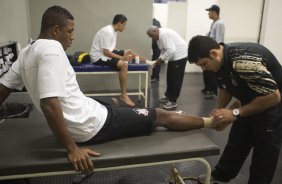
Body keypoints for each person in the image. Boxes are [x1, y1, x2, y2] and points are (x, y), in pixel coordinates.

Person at [0, 6, 218, 173]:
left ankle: (123, 104)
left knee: (114, 100)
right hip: (92, 126)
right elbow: (49, 103)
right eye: (70, 31)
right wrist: (72, 149)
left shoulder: (28, 51)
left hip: (86, 109)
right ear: (56, 30)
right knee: (160, 115)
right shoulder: (52, 49)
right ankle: (210, 121)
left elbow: (3, 88)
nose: (72, 37)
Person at [188, 35, 282, 184]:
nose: (204, 69)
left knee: (265, 152)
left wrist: (235, 112)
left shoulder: (243, 62)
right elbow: (225, 87)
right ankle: (220, 176)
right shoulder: (219, 62)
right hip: (251, 98)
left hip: (272, 103)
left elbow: (273, 96)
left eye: (204, 64)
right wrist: (220, 110)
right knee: (237, 140)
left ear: (213, 54)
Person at [89, 14, 154, 107]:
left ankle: (149, 63)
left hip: (105, 53)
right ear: (119, 23)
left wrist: (120, 53)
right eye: (124, 25)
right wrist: (121, 58)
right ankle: (124, 95)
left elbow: (109, 47)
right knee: (124, 65)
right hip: (98, 57)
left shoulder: (113, 31)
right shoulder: (107, 31)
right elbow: (106, 52)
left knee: (129, 51)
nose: (124, 27)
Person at [146, 26, 188, 111]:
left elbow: (171, 50)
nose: (153, 39)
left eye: (152, 36)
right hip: (174, 56)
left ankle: (173, 101)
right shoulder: (159, 37)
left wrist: (161, 60)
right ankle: (168, 96)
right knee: (170, 76)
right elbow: (163, 50)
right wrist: (159, 59)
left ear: (155, 31)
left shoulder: (164, 34)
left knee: (176, 78)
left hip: (180, 55)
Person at [202, 4, 225, 99]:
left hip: (214, 51)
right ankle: (208, 87)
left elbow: (219, 41)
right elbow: (211, 34)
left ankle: (213, 91)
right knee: (206, 69)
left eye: (209, 12)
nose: (208, 14)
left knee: (212, 71)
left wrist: (216, 55)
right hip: (209, 49)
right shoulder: (214, 22)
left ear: (214, 12)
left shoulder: (219, 24)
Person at [150, 18, 162, 83]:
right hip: (155, 45)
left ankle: (155, 77)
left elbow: (156, 34)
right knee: (154, 60)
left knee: (157, 60)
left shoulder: (155, 22)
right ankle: (154, 76)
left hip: (157, 46)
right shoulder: (154, 21)